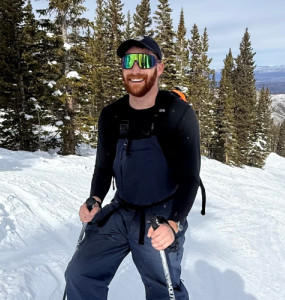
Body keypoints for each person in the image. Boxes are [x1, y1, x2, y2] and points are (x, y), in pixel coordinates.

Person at [64, 36, 202, 300]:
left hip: (159, 215)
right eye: (129, 61)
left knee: (164, 288)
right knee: (79, 274)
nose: (136, 69)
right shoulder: (112, 114)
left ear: (158, 68)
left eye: (144, 61)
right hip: (121, 207)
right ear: (123, 70)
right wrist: (95, 198)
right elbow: (103, 166)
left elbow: (189, 177)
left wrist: (173, 223)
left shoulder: (177, 113)